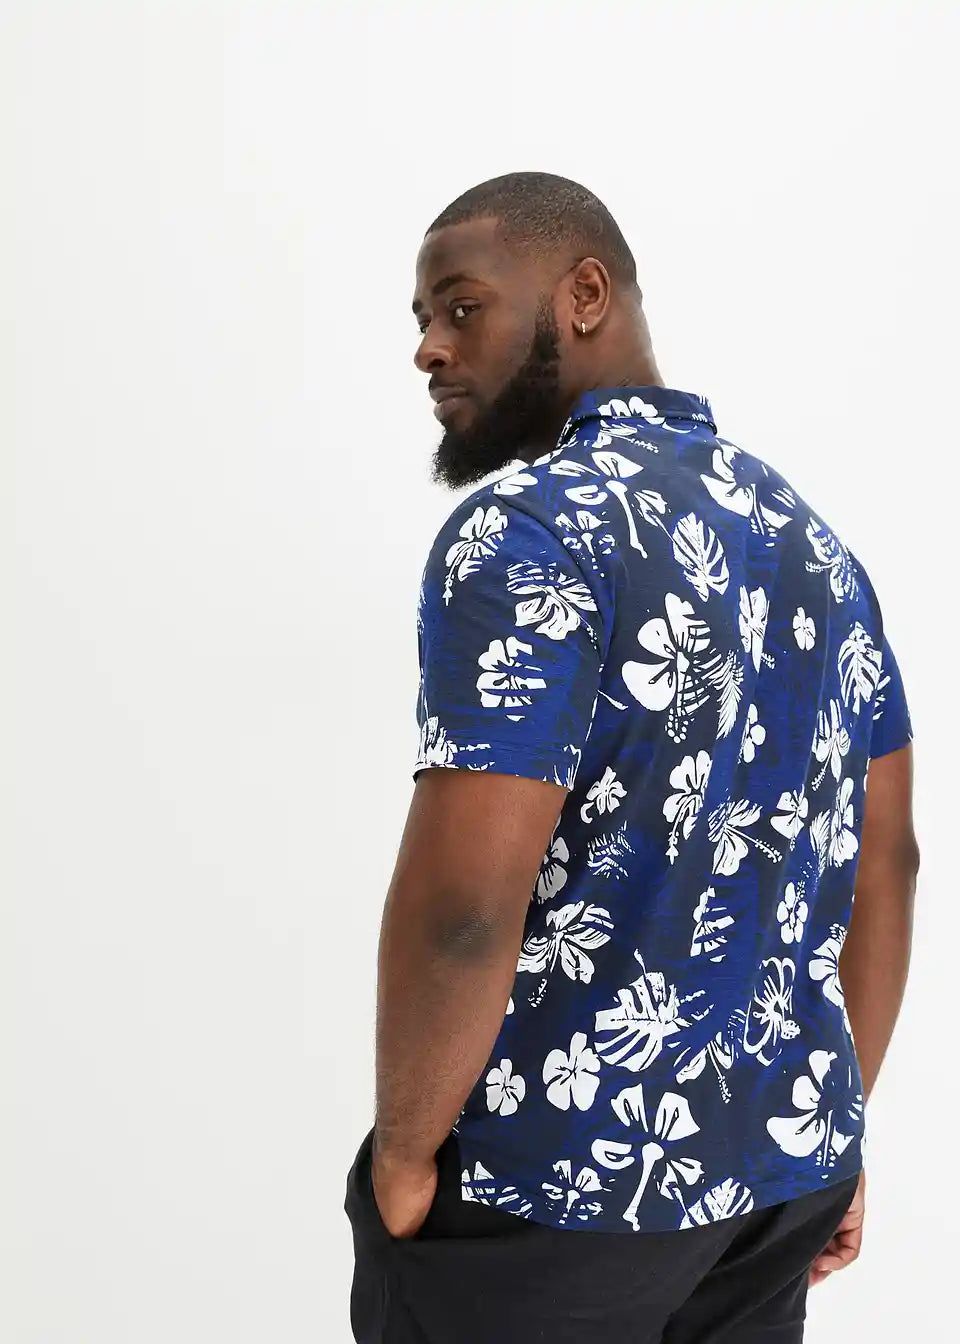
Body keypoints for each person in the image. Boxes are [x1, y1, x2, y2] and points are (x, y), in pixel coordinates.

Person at [343, 172, 919, 1343]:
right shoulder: (812, 544)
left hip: (551, 1196)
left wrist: (401, 1157)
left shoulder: (531, 532)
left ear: (586, 294)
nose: (429, 348)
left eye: (461, 307)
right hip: (773, 1189)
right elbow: (889, 861)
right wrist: (829, 1125)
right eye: (423, 320)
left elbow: (465, 911)